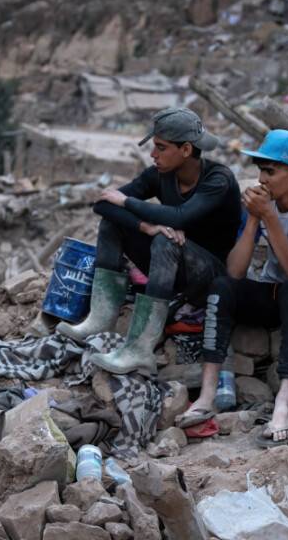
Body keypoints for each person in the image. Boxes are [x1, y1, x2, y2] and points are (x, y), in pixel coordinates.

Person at [178, 129, 288, 444]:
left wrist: (269, 216)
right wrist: (254, 219)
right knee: (222, 286)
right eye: (260, 171)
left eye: (270, 171)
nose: (262, 179)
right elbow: (235, 271)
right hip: (277, 293)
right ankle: (207, 395)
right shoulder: (261, 204)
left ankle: (285, 401)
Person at [56, 107, 241, 376]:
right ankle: (100, 319)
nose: (153, 154)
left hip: (209, 277)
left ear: (186, 149)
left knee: (166, 241)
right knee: (113, 224)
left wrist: (128, 202)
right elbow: (103, 205)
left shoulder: (218, 179)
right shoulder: (159, 174)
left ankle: (140, 350)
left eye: (161, 147)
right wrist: (146, 226)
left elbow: (180, 216)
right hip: (171, 269)